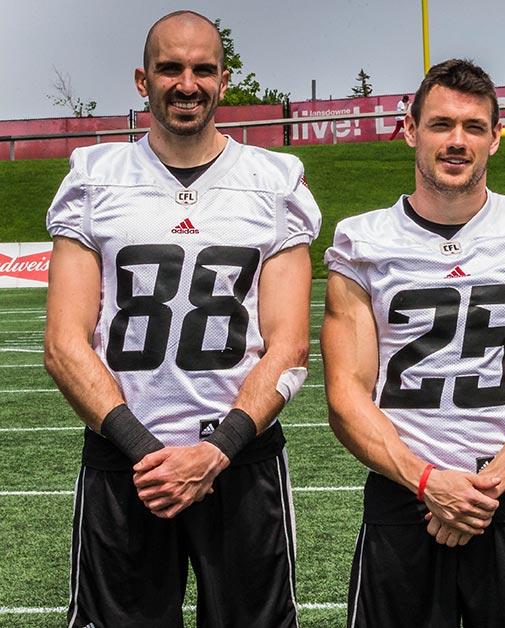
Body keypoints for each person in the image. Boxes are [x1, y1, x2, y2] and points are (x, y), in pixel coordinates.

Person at [43, 10, 320, 627]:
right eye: (170, 68)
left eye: (202, 69)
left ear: (224, 80)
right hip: (125, 459)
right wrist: (148, 452)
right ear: (143, 81)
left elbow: (289, 346)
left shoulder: (273, 182)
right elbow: (65, 344)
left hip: (239, 459)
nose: (186, 84)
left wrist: (215, 451)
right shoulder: (95, 178)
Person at [322, 58, 505, 627]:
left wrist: (484, 488)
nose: (457, 141)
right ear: (410, 130)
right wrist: (427, 480)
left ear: (496, 138)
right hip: (405, 494)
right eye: (441, 125)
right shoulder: (362, 241)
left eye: (473, 127)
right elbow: (345, 394)